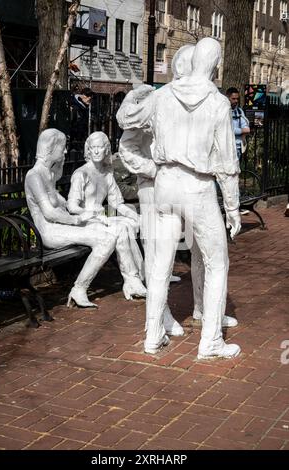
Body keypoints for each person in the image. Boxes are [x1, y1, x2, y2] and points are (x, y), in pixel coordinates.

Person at [117, 37, 241, 358]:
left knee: (160, 262)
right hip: (197, 187)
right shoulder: (218, 103)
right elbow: (227, 164)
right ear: (215, 66)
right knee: (217, 263)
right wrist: (232, 208)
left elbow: (125, 119)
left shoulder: (163, 96)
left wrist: (138, 95)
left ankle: (153, 333)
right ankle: (211, 341)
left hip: (166, 183)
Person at [25, 128, 118, 309]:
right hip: (48, 231)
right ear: (50, 149)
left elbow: (65, 204)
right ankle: (79, 289)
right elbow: (50, 213)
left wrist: (89, 215)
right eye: (63, 147)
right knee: (106, 240)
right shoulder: (34, 176)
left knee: (106, 230)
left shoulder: (49, 175)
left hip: (59, 226)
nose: (65, 151)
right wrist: (77, 220)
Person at [67, 131, 146, 301]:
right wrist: (92, 213)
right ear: (88, 150)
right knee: (121, 228)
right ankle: (134, 278)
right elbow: (72, 207)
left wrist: (132, 214)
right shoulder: (81, 174)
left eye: (100, 148)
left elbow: (117, 203)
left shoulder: (107, 174)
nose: (96, 151)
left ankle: (135, 279)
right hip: (84, 221)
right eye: (92, 148)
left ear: (106, 150)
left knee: (128, 223)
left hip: (101, 220)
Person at [226, 87, 250, 161]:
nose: (236, 101)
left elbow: (247, 128)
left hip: (238, 148)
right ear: (227, 98)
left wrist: (237, 130)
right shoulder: (223, 111)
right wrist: (242, 131)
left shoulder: (239, 111)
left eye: (237, 99)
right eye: (233, 99)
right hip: (226, 147)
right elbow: (227, 129)